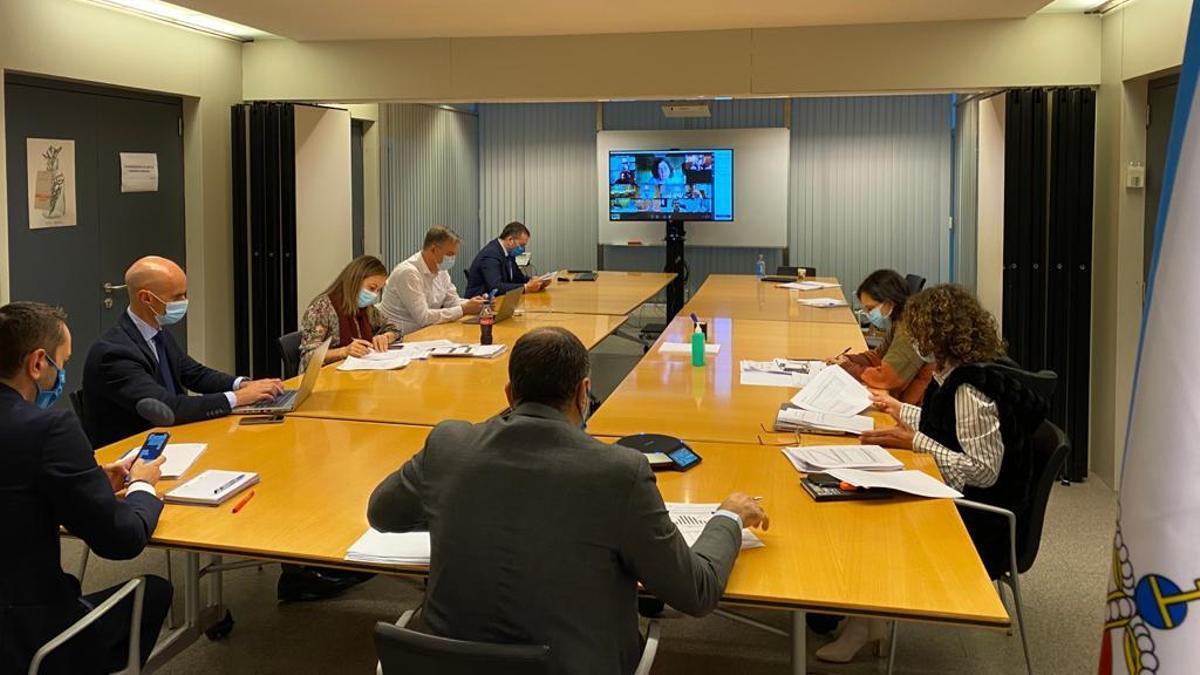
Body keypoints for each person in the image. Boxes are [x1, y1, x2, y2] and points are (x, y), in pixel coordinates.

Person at [367, 327, 769, 674]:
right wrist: (728, 518)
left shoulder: (450, 445)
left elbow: (382, 513)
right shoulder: (618, 471)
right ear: (584, 392)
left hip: (441, 668)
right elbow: (695, 593)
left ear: (509, 394)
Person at [820, 285, 1048, 663]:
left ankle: (866, 622)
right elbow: (947, 427)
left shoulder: (971, 388)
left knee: (868, 515)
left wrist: (915, 444)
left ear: (936, 334)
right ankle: (868, 617)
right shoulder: (960, 372)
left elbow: (982, 472)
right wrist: (897, 409)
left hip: (979, 520)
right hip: (967, 500)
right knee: (868, 495)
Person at [0, 301, 171, 674]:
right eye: (62, 362)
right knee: (154, 590)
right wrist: (142, 486)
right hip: (26, 639)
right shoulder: (48, 429)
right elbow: (121, 540)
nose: (62, 374)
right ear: (37, 363)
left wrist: (88, 484)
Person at [81, 256, 283, 448]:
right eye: (177, 296)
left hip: (171, 438)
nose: (184, 301)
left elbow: (194, 374)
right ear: (146, 298)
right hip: (134, 451)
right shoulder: (114, 354)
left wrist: (243, 384)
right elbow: (167, 408)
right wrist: (239, 398)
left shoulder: (157, 333)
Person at [826, 269, 934, 404]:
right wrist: (848, 359)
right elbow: (879, 356)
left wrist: (848, 367)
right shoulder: (900, 320)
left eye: (870, 308)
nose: (868, 314)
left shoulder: (910, 329)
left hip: (916, 407)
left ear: (889, 303)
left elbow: (886, 378)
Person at [378, 226, 486, 336]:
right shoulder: (408, 273)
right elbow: (424, 317)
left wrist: (476, 304)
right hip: (400, 337)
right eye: (449, 254)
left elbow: (453, 302)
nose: (452, 259)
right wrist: (464, 309)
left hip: (427, 333)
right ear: (433, 249)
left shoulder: (441, 270)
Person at [299, 255, 402, 370]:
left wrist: (385, 337)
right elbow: (308, 357)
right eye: (372, 288)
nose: (374, 295)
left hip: (359, 372)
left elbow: (394, 329)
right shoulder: (322, 308)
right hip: (326, 377)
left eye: (378, 290)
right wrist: (343, 352)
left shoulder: (366, 308)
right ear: (355, 281)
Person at [463, 221, 550, 298]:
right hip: (480, 304)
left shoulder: (508, 253)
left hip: (500, 299)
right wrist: (526, 287)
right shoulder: (491, 254)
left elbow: (518, 278)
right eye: (522, 245)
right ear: (510, 240)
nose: (523, 249)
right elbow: (496, 287)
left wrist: (537, 282)